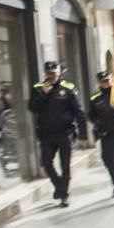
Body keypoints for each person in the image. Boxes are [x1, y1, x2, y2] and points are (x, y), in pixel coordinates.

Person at [28, 61, 86, 207]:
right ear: (45, 74)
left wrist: (83, 132)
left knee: (65, 165)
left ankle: (64, 195)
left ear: (59, 72)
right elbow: (32, 108)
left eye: (54, 72)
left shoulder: (69, 87)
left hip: (64, 133)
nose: (51, 75)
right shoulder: (38, 88)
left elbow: (78, 111)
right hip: (46, 134)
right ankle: (59, 186)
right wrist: (43, 94)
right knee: (46, 163)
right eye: (49, 73)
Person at [88, 71, 114, 206]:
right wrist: (97, 123)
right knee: (107, 161)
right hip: (105, 135)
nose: (106, 83)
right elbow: (91, 115)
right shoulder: (95, 98)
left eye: (108, 80)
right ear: (99, 82)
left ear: (112, 80)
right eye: (103, 81)